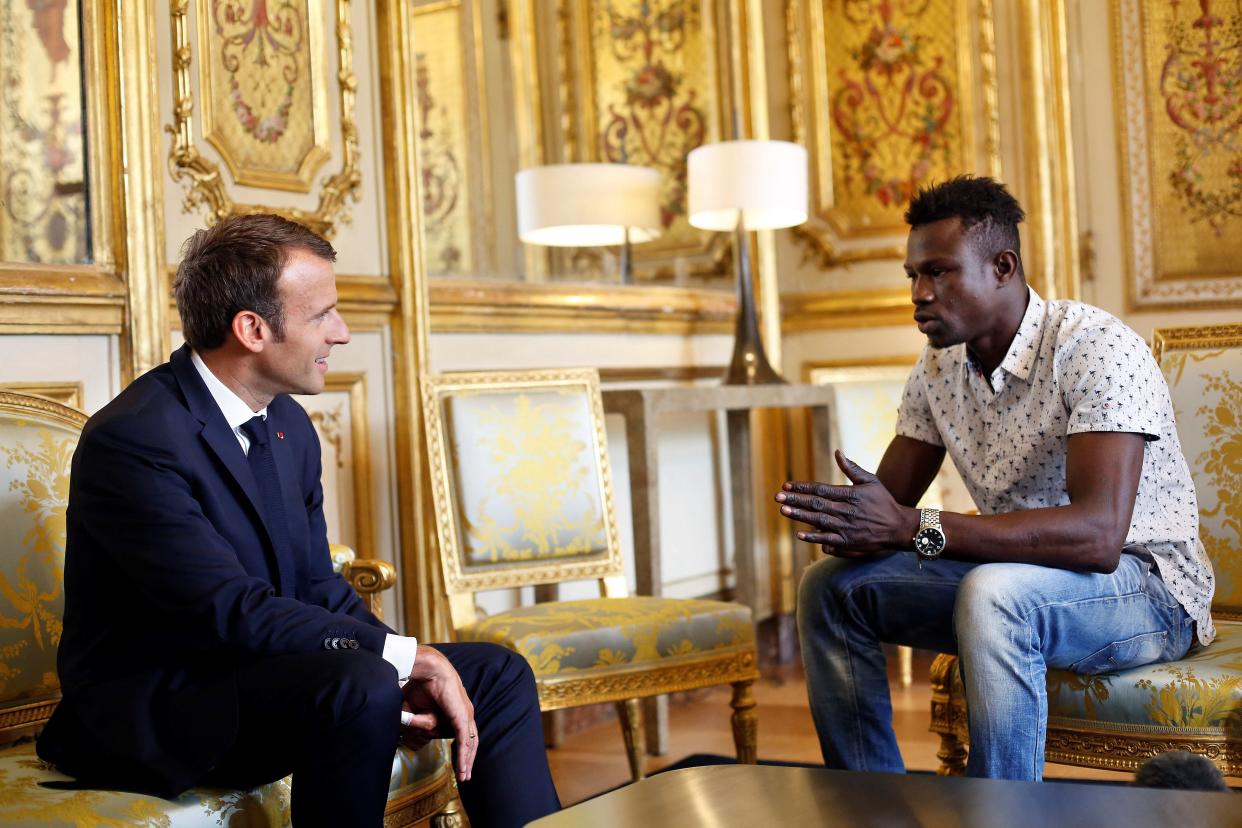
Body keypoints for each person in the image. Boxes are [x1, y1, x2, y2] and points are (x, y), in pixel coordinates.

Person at [37, 214, 561, 827]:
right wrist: (402, 659)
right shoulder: (135, 439)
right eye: (323, 315)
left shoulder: (288, 426)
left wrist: (403, 661)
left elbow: (315, 586)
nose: (340, 333)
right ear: (253, 329)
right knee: (360, 683)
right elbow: (228, 611)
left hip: (275, 678)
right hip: (164, 708)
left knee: (496, 672)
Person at [777, 176, 1214, 780]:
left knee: (994, 594)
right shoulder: (938, 367)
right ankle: (870, 807)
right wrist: (850, 523)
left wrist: (911, 527)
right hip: (1012, 581)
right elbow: (890, 511)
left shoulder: (1095, 347)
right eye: (913, 276)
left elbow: (1097, 537)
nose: (920, 295)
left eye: (940, 272)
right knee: (829, 587)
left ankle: (1001, 816)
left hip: (1145, 591)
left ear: (1003, 267)